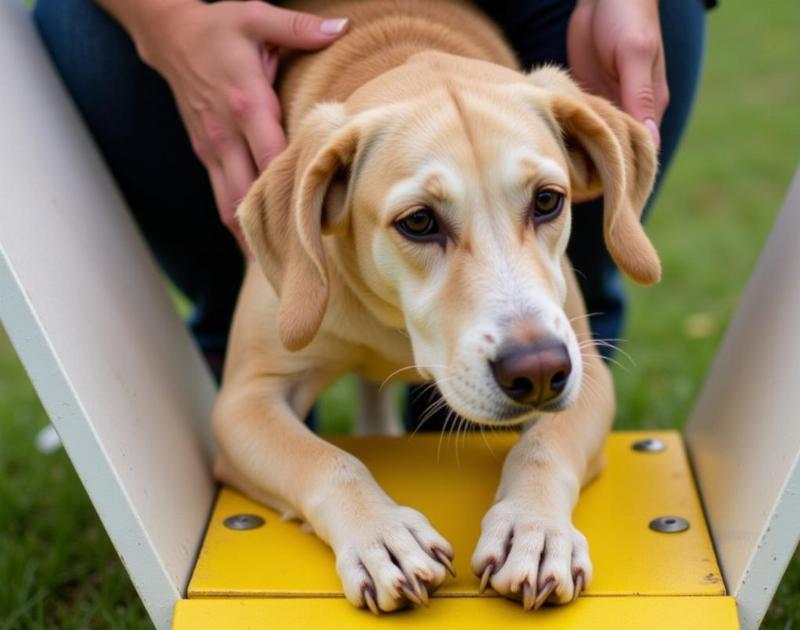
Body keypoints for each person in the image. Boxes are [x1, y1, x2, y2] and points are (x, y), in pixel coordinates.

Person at [34, 0, 709, 425]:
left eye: (543, 202)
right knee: (78, 18)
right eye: (422, 220)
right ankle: (223, 330)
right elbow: (254, 410)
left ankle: (481, 411)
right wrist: (169, 21)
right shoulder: (324, 182)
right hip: (233, 24)